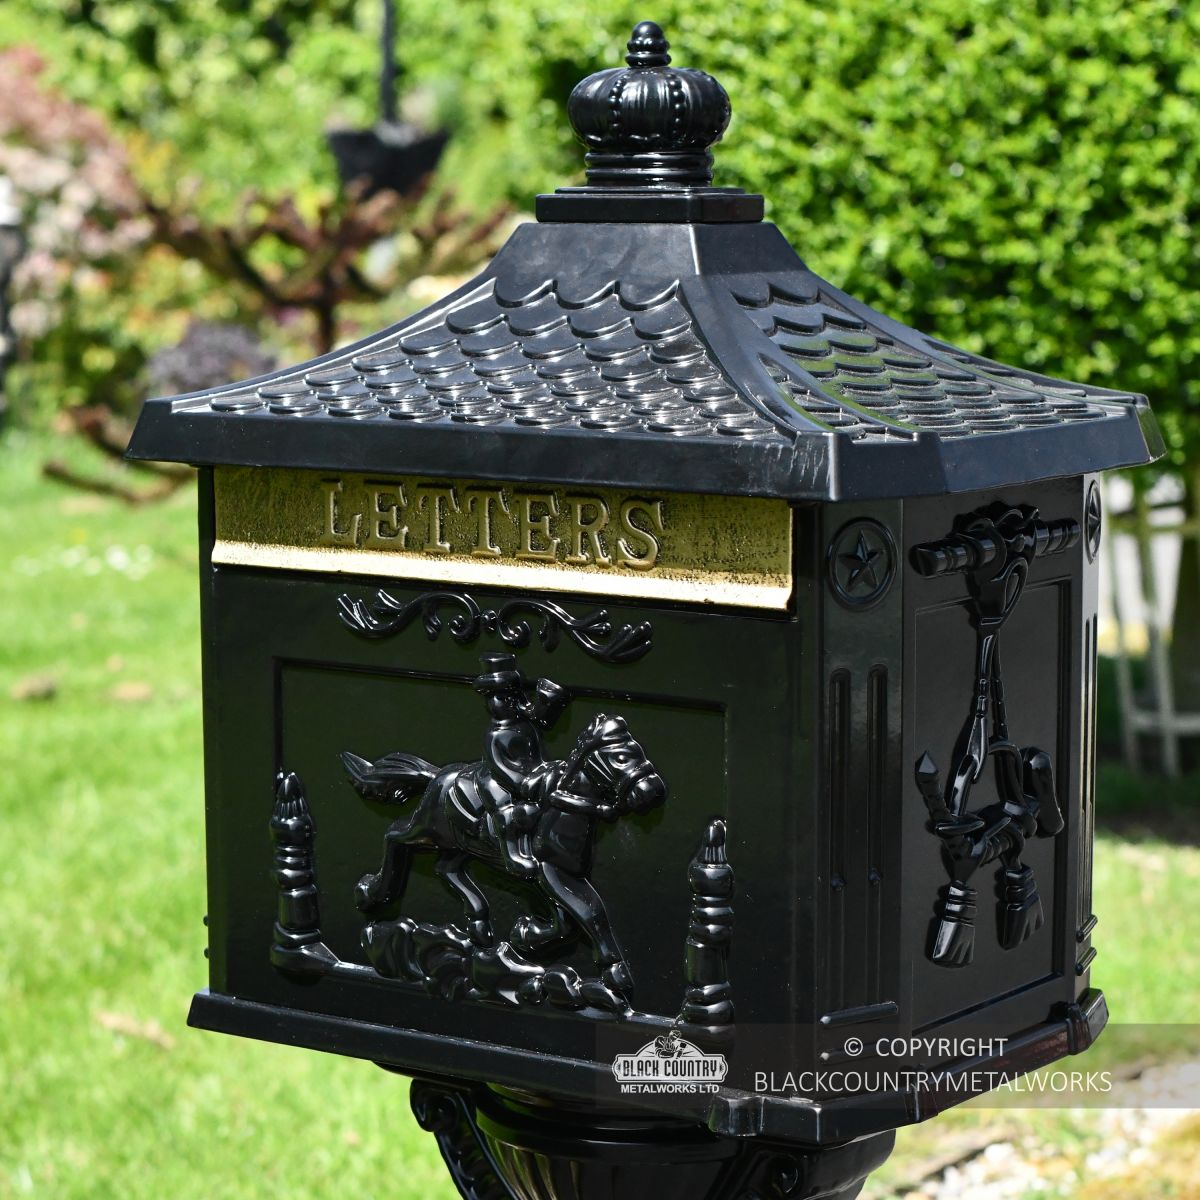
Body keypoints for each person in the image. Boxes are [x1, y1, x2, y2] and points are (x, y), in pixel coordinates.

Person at [469, 652, 570, 877]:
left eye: (514, 696)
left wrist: (548, 700)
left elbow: (541, 724)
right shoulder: (496, 735)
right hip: (502, 781)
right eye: (501, 698)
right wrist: (524, 783)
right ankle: (512, 854)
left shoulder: (524, 723)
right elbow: (501, 768)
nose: (510, 703)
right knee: (505, 812)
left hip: (532, 774)